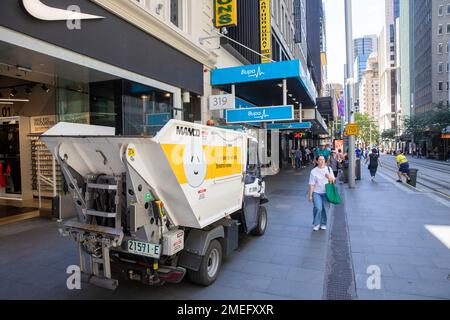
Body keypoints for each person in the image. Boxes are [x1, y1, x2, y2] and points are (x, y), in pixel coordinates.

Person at [309, 156, 336, 231]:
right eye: (320, 160)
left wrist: (329, 177)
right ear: (317, 161)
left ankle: (323, 223)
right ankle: (317, 223)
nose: (322, 161)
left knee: (324, 209)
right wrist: (310, 196)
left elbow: (334, 181)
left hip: (327, 193)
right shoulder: (313, 171)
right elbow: (312, 184)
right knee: (318, 208)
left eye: (323, 159)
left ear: (325, 161)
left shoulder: (329, 169)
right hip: (316, 193)